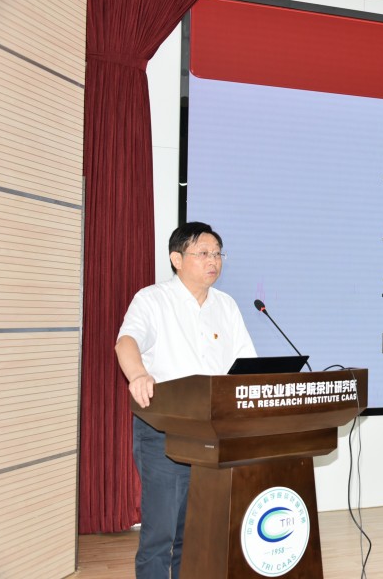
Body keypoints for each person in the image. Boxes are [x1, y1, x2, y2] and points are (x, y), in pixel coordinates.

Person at [115, 221, 256, 579]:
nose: (213, 261)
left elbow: (246, 364)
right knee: (160, 535)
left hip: (214, 434)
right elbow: (126, 342)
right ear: (176, 259)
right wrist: (138, 374)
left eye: (218, 254)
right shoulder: (152, 299)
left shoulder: (226, 305)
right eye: (203, 253)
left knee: (196, 534)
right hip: (165, 431)